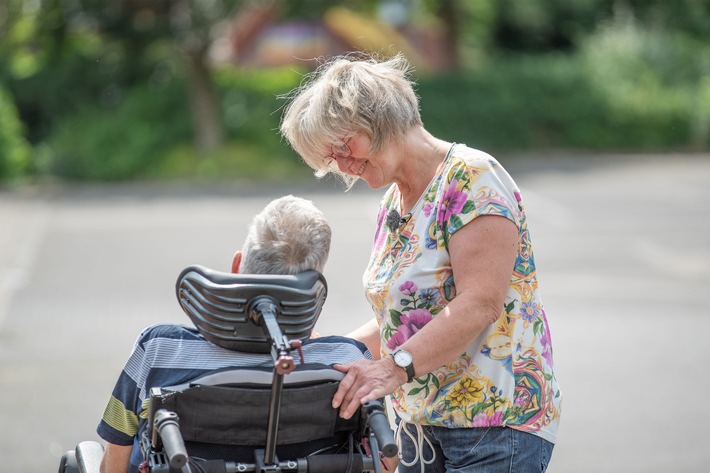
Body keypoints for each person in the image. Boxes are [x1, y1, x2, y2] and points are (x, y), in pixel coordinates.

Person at [280, 53, 562, 472]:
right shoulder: (394, 201)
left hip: (493, 422)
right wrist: (327, 352)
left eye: (343, 146)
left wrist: (393, 368)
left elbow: (480, 302)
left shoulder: (471, 176)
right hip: (420, 426)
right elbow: (406, 316)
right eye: (329, 158)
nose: (342, 164)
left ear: (378, 119)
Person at [95, 195, 373, 473]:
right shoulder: (350, 362)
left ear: (238, 265)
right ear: (313, 290)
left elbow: (114, 459)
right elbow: (383, 462)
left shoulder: (160, 349)